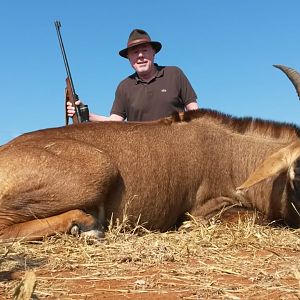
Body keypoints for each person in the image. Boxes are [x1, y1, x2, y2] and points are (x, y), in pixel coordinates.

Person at [67, 29, 199, 122]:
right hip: (141, 154)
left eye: (144, 50)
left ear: (154, 52)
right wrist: (86, 114)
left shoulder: (174, 74)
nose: (140, 56)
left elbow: (194, 112)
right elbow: (115, 122)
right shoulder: (124, 86)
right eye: (135, 52)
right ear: (129, 58)